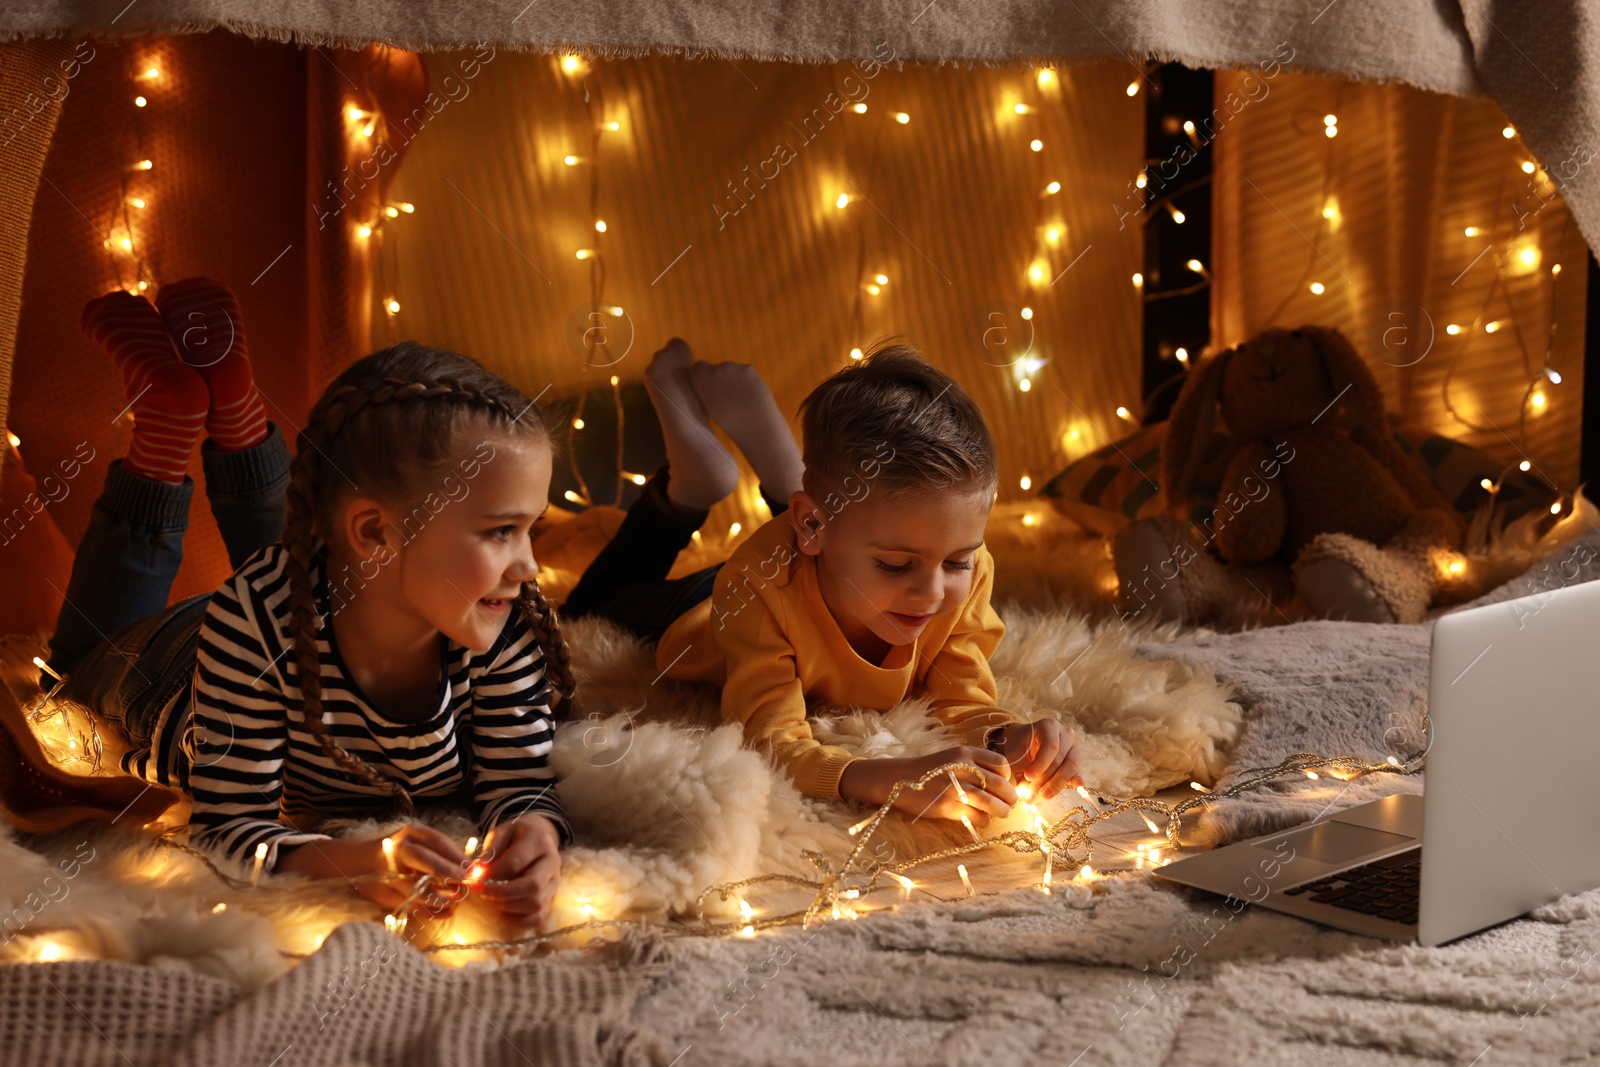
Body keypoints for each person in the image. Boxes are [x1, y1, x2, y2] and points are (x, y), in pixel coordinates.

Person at [23, 280, 569, 930]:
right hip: (159, 669)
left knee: (307, 565)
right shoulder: (253, 623)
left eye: (531, 528)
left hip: (324, 598)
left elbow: (521, 780)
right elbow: (228, 830)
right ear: (374, 531)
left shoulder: (498, 616)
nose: (530, 565)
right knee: (74, 672)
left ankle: (235, 411)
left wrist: (537, 832)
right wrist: (356, 859)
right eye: (501, 530)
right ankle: (161, 432)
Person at [565, 338, 1083, 828]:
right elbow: (769, 741)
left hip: (818, 551)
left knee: (848, 530)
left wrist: (1006, 735)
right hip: (706, 608)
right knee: (589, 604)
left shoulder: (965, 568)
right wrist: (888, 778)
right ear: (808, 525)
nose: (931, 594)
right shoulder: (756, 589)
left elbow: (959, 693)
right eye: (897, 566)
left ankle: (783, 468)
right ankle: (690, 490)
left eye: (956, 562)